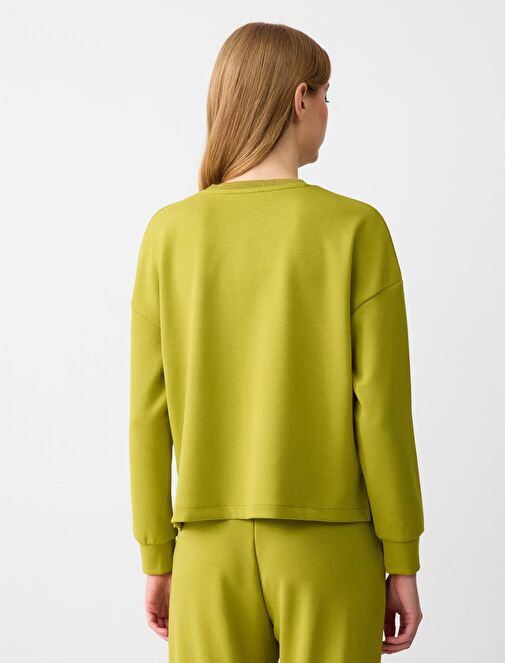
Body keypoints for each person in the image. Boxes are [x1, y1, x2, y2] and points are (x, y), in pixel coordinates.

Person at [129, 21, 425, 663]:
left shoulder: (168, 234)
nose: (328, 110)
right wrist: (402, 555)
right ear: (300, 99)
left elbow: (149, 415)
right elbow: (381, 413)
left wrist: (157, 554)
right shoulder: (355, 229)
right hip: (330, 547)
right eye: (326, 94)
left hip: (206, 549)